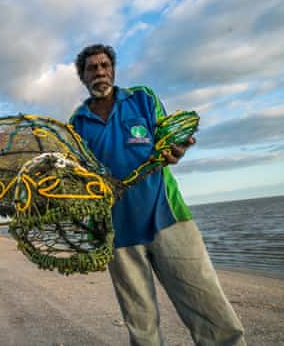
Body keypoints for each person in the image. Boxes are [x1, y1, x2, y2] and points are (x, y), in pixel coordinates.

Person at [69, 44, 246, 346]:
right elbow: (79, 179)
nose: (99, 71)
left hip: (168, 218)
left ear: (112, 69)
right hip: (118, 235)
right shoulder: (77, 124)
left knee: (208, 307)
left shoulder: (142, 98)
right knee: (141, 324)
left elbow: (168, 142)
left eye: (104, 65)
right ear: (82, 77)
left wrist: (177, 149)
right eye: (91, 68)